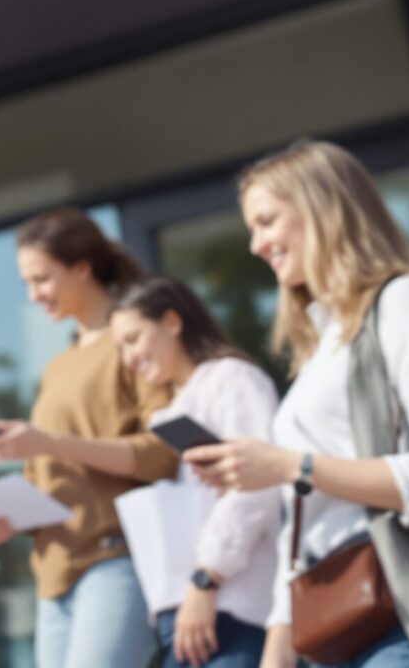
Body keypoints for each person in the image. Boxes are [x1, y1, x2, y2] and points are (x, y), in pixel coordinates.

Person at [187, 141, 409, 668]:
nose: (256, 245)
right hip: (345, 630)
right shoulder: (323, 349)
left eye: (266, 221)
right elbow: (307, 522)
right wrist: (277, 649)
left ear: (320, 209)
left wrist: (290, 466)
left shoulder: (405, 305)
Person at [0, 207, 178, 668]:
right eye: (26, 283)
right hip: (54, 574)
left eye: (41, 279)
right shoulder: (57, 366)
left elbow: (162, 454)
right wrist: (13, 518)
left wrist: (47, 443)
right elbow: (58, 476)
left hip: (114, 558)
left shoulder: (133, 344)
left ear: (81, 268)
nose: (33, 294)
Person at [109, 276, 280, 668]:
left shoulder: (232, 379)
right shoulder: (173, 410)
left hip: (229, 608)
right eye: (121, 347)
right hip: (185, 615)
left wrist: (207, 578)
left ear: (172, 321)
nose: (129, 357)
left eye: (133, 338)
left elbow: (256, 488)